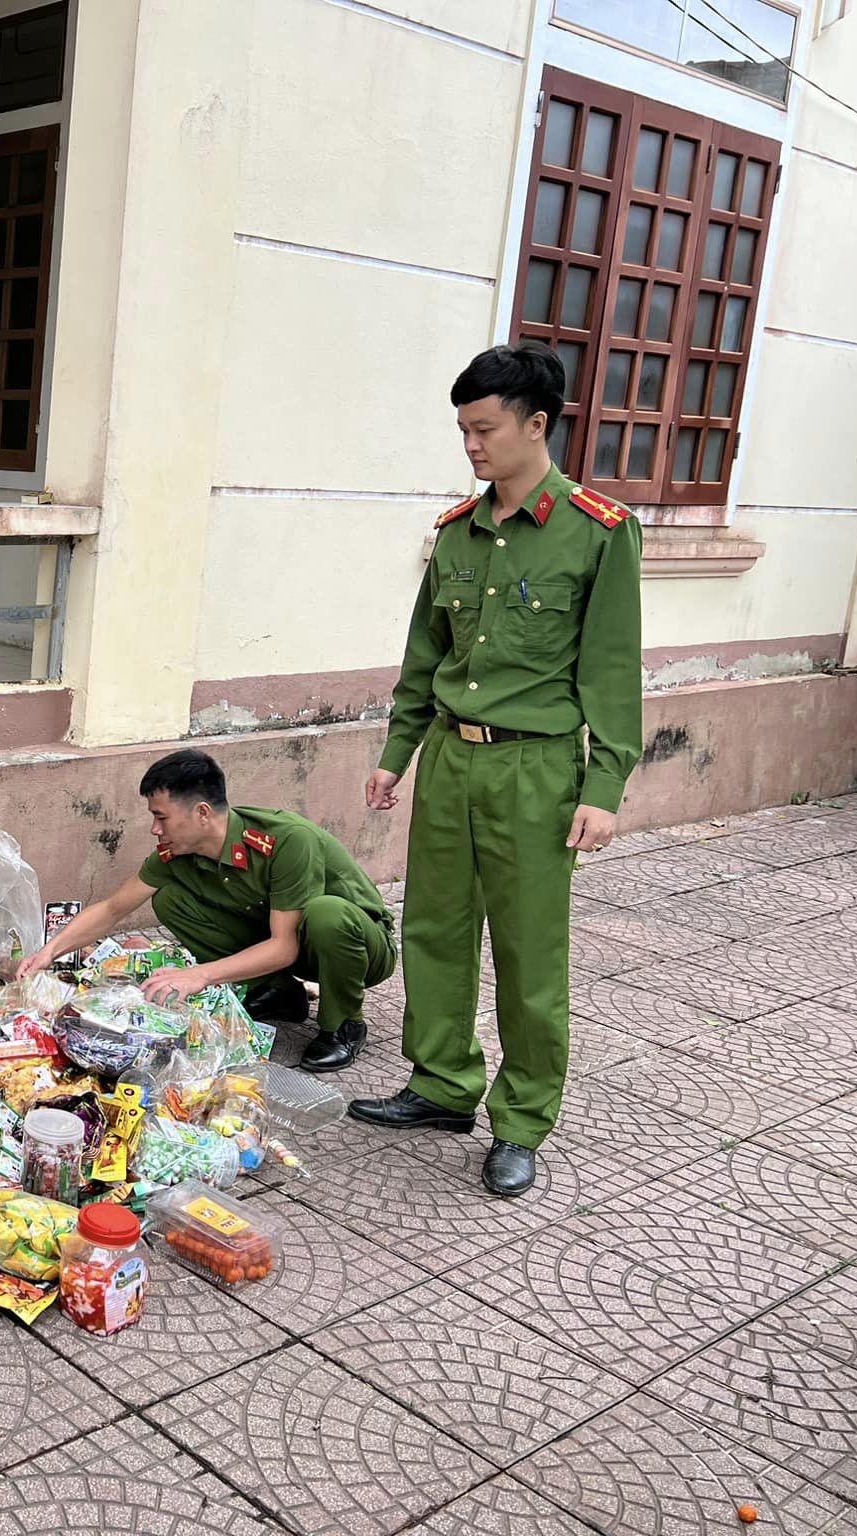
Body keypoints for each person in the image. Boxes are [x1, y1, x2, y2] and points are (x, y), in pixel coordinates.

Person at [352, 343, 642, 1197]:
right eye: (463, 430)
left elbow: (612, 673)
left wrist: (605, 786)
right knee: (435, 930)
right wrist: (396, 755)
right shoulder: (457, 533)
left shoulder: (598, 532)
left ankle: (521, 1121)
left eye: (484, 428)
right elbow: (423, 655)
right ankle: (442, 1085)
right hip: (449, 757)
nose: (471, 445)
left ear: (536, 424)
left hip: (536, 770)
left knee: (528, 953)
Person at [16, 749, 396, 1073]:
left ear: (201, 813)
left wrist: (198, 975)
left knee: (326, 914)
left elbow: (285, 946)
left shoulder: (286, 841)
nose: (154, 829)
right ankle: (277, 992)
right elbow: (114, 908)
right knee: (169, 899)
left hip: (357, 948)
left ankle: (343, 1024)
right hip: (289, 946)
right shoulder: (179, 850)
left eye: (161, 817)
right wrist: (50, 952)